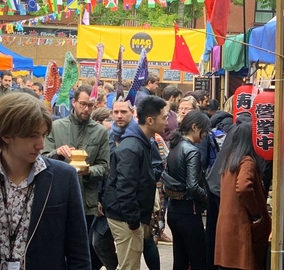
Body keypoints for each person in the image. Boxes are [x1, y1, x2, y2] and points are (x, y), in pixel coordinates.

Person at [0, 93, 91, 269]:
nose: (40, 144)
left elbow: (79, 253)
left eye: (43, 135)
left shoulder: (64, 177)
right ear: (6, 135)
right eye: (32, 136)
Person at [43, 85, 110, 270]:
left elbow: (105, 168)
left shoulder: (100, 132)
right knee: (56, 248)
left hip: (86, 202)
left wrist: (88, 171)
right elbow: (41, 159)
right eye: (83, 104)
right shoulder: (56, 127)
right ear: (73, 102)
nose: (86, 109)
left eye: (91, 105)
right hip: (57, 198)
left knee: (82, 250)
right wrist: (57, 153)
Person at [102, 96, 168, 270]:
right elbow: (125, 188)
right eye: (164, 117)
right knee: (129, 266)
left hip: (129, 215)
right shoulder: (132, 146)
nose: (167, 122)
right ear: (150, 120)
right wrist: (133, 222)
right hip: (124, 217)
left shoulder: (140, 142)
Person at [215, 122, 271, 270]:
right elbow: (244, 188)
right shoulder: (247, 162)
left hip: (227, 227)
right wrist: (256, 213)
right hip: (241, 227)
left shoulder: (230, 160)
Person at [164, 111, 211, 270]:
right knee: (199, 261)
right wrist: (207, 199)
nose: (205, 135)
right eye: (204, 131)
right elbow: (193, 185)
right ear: (194, 127)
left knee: (180, 260)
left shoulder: (175, 147)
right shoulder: (192, 151)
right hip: (189, 212)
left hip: (173, 211)